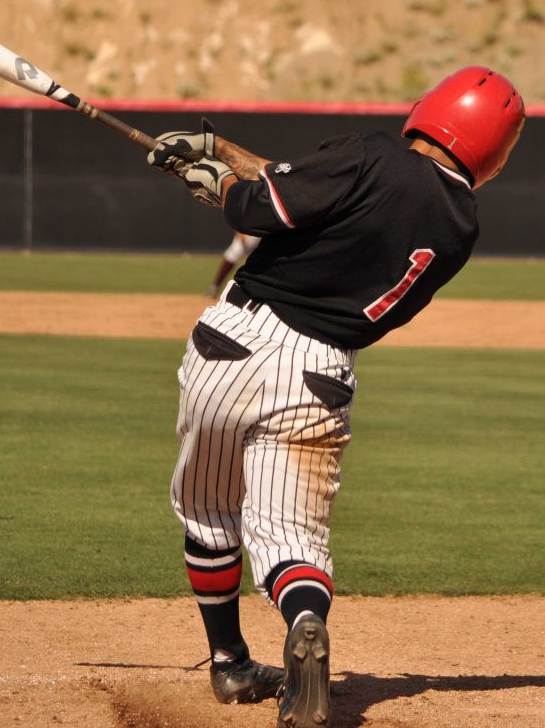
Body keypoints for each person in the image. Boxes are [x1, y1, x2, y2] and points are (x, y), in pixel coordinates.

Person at [145, 67, 525, 728]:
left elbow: (259, 209)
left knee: (209, 511)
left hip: (230, 345)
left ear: (428, 108)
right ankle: (305, 622)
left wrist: (218, 187)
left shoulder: (374, 153)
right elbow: (310, 190)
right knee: (290, 536)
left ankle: (231, 663)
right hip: (318, 372)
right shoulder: (460, 225)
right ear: (494, 151)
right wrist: (222, 151)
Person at [205, 231, 262, 299]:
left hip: (260, 238)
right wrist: (240, 232)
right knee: (230, 257)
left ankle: (258, 292)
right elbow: (238, 220)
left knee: (260, 264)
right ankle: (214, 289)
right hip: (245, 235)